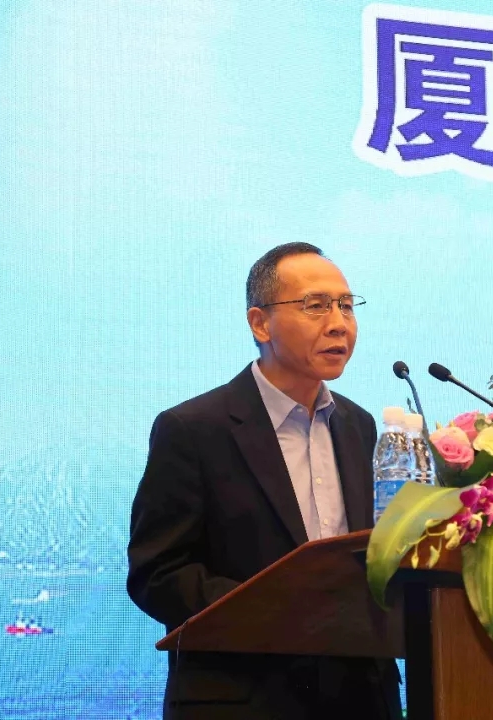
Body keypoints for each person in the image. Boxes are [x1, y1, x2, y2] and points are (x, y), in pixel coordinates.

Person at [127, 243, 403, 720]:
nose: (339, 323)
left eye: (346, 305)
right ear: (260, 323)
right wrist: (287, 615)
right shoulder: (194, 429)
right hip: (245, 698)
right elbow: (158, 573)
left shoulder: (358, 425)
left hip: (361, 697)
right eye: (316, 306)